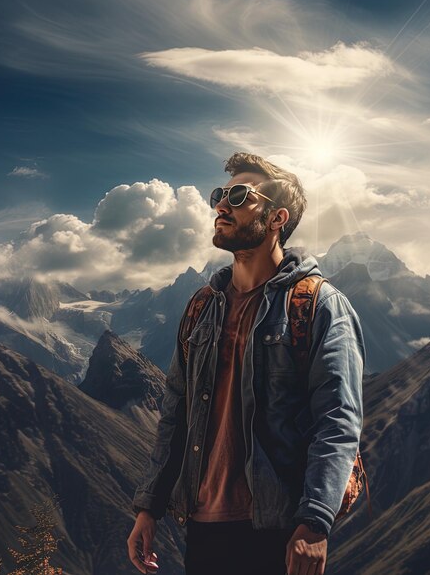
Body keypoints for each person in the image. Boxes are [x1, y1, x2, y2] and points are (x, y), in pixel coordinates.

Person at [127, 152, 365, 575]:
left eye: (239, 196)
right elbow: (175, 414)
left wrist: (315, 522)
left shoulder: (319, 305)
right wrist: (149, 506)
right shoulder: (202, 307)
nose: (221, 205)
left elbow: (338, 421)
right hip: (201, 528)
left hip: (275, 530)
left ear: (277, 219)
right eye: (220, 194)